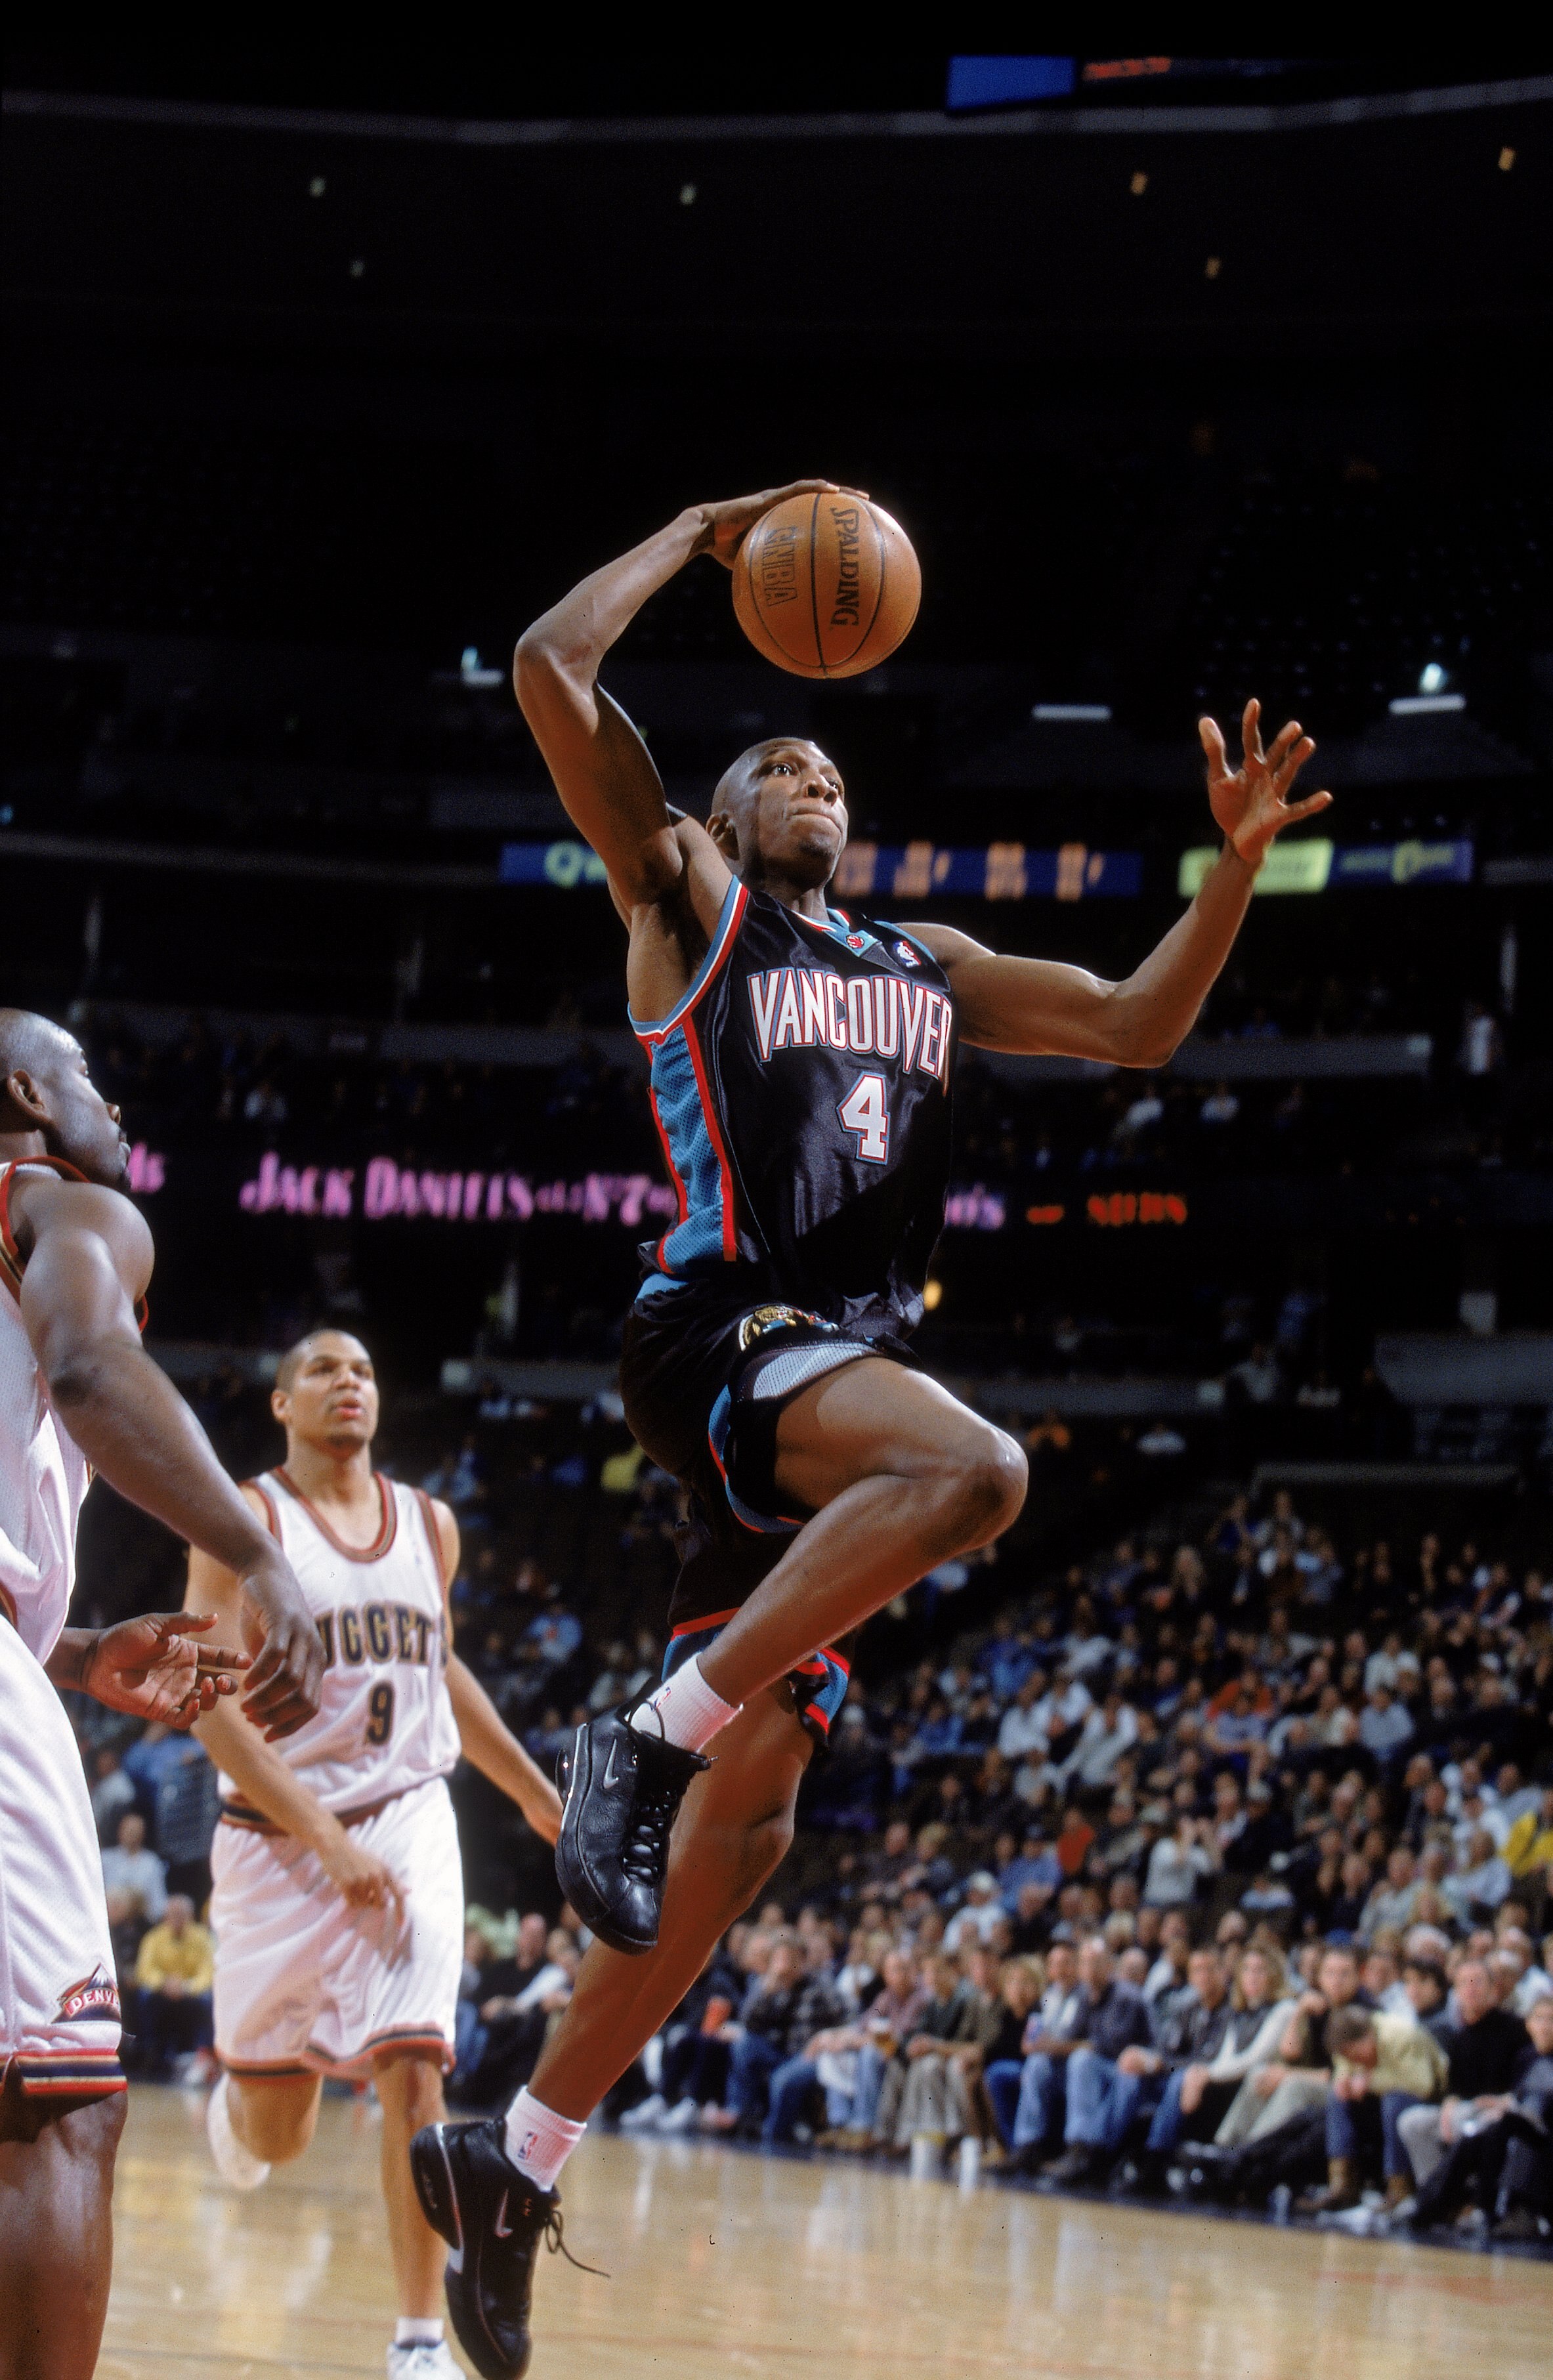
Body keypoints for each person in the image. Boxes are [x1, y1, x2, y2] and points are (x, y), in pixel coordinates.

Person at [406, 485, 1332, 2380]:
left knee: (735, 1856)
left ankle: (511, 2144)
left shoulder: (922, 966)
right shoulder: (689, 899)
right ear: (729, 814)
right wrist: (691, 531)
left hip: (828, 1397)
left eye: (826, 760)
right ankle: (638, 1737)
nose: (807, 767)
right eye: (777, 758)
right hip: (722, 1328)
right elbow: (548, 668)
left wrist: (1227, 863)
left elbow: (1138, 1027)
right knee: (977, 1473)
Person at [0, 1009, 323, 2380]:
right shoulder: (54, 1201)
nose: (117, 1117)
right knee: (52, 2100)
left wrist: (66, 1650)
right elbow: (86, 1366)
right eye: (91, 1082)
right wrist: (258, 1549)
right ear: (25, 1091)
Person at [184, 1328, 563, 2380]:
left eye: (363, 1368)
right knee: (277, 2136)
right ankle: (242, 2101)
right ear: (280, 1403)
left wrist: (536, 1794)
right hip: (276, 1841)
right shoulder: (239, 1518)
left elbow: (441, 1670)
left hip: (405, 1816)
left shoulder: (428, 1525)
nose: (349, 1382)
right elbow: (208, 1711)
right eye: (322, 1369)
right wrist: (322, 1835)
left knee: (414, 2065)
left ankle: (414, 2341)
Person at [133, 1894, 216, 2079]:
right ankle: (150, 2053)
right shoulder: (153, 1937)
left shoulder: (203, 1938)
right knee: (144, 1995)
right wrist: (164, 1983)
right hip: (163, 1991)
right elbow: (144, 1970)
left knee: (207, 1998)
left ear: (191, 1916)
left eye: (182, 1914)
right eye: (173, 1914)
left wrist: (187, 1987)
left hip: (190, 1992)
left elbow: (208, 1972)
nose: (177, 1919)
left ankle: (202, 2055)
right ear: (166, 1916)